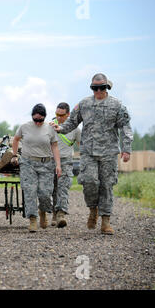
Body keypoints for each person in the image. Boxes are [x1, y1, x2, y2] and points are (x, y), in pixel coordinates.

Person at [51, 73, 132, 235]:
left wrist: (126, 148)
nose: (99, 91)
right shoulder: (84, 104)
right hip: (88, 152)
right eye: (95, 88)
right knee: (89, 182)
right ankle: (93, 209)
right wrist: (61, 129)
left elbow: (126, 127)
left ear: (107, 87)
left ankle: (105, 221)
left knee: (107, 185)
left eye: (102, 87)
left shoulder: (117, 106)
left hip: (109, 152)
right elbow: (72, 121)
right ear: (92, 88)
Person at [11, 104, 61, 232]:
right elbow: (16, 140)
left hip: (46, 163)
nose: (38, 122)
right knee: (30, 191)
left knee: (45, 193)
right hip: (28, 163)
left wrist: (58, 165)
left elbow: (54, 146)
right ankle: (32, 219)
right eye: (35, 120)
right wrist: (14, 155)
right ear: (32, 117)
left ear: (44, 118)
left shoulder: (50, 129)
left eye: (40, 120)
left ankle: (42, 211)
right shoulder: (24, 127)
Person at [51, 102, 81, 228]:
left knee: (63, 188)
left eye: (61, 115)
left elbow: (81, 146)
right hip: (50, 161)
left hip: (66, 161)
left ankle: (60, 214)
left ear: (68, 114)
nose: (58, 117)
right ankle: (53, 213)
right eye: (56, 114)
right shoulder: (50, 126)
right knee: (52, 189)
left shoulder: (75, 130)